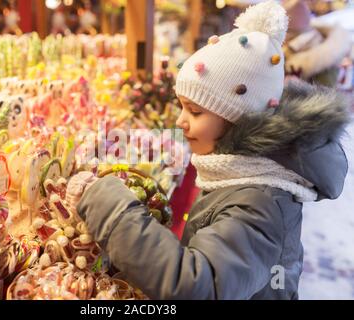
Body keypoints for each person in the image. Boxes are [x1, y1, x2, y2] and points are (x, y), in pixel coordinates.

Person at [67, 1, 351, 299]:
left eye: (195, 112)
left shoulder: (260, 204)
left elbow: (195, 285)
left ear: (236, 121)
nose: (180, 121)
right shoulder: (239, 169)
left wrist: (107, 205)